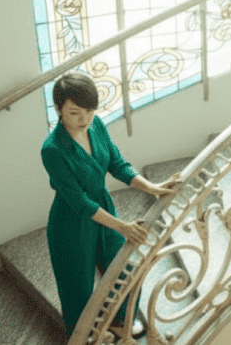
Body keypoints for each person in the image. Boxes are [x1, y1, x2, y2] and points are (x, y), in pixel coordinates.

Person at [41, 73, 182, 341]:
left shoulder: (96, 126)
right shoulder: (52, 149)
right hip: (71, 222)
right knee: (77, 289)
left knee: (123, 269)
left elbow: (117, 163)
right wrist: (125, 227)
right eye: (74, 113)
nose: (84, 119)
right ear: (58, 109)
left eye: (89, 111)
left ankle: (120, 322)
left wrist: (150, 187)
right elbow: (79, 201)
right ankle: (84, 338)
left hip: (103, 205)